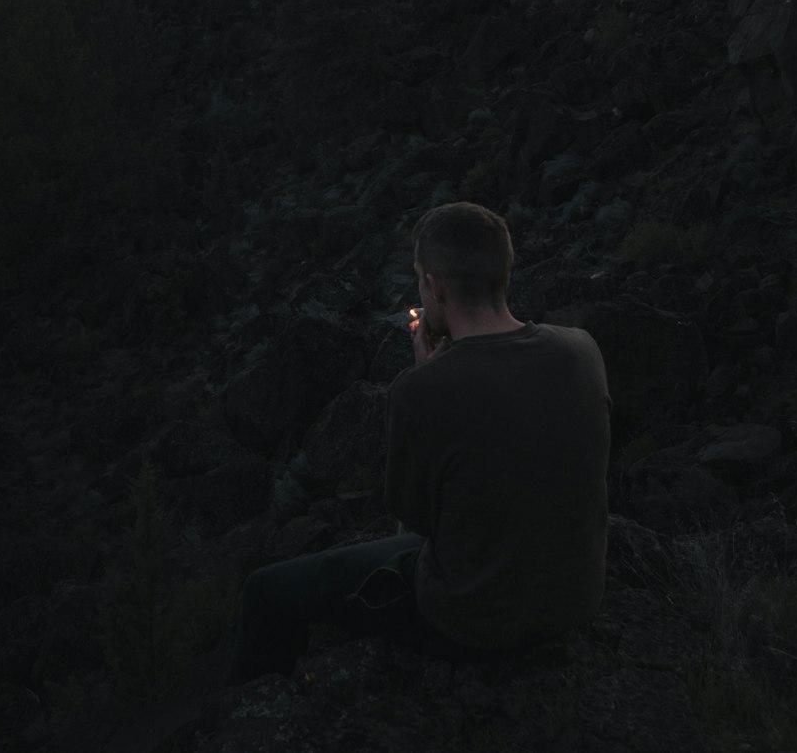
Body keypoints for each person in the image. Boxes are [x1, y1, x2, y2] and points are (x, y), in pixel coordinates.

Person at [225, 201, 611, 685]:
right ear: (505, 270)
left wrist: (427, 378)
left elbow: (418, 523)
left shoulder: (419, 390)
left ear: (434, 285)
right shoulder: (581, 348)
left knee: (264, 590)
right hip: (576, 598)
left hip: (472, 622)